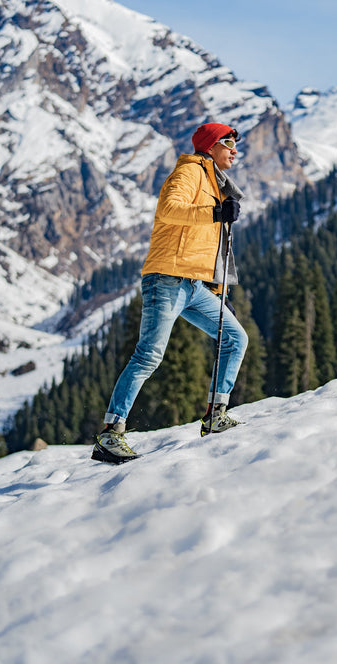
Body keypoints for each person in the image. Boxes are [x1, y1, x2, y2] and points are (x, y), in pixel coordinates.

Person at [91, 122, 249, 464]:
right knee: (148, 356)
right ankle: (110, 434)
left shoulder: (214, 182)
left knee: (235, 338)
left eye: (236, 144)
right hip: (167, 279)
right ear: (210, 146)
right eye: (228, 143)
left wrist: (216, 288)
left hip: (193, 284)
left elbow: (207, 244)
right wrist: (215, 213)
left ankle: (216, 415)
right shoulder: (190, 172)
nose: (235, 149)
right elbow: (169, 209)